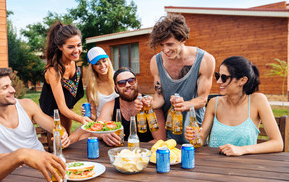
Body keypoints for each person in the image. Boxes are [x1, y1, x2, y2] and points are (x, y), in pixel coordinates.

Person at [185, 56, 283, 156]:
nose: (218, 81)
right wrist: (194, 136)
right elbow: (201, 139)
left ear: (242, 81)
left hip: (246, 167)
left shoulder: (257, 101)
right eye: (217, 76)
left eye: (224, 77)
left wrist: (242, 150)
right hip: (214, 166)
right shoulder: (214, 103)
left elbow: (278, 143)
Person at [0, 68, 70, 162]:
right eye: (5, 87)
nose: (13, 90)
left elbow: (56, 128)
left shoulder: (27, 106)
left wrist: (63, 136)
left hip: (42, 162)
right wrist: (15, 157)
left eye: (11, 85)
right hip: (12, 172)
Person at [149, 13, 215, 144]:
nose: (165, 50)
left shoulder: (205, 60)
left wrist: (183, 105)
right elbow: (159, 96)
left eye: (169, 44)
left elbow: (202, 99)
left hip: (194, 131)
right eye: (161, 45)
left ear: (182, 39)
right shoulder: (155, 62)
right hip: (169, 131)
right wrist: (148, 104)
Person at [39, 21, 91, 134]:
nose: (76, 50)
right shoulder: (53, 71)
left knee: (68, 143)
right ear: (60, 47)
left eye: (79, 45)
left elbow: (68, 103)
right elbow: (62, 107)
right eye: (71, 47)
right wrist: (81, 119)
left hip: (67, 113)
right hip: (49, 115)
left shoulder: (74, 66)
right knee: (58, 145)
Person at [96, 67, 166, 146]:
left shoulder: (149, 104)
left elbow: (160, 140)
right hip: (118, 153)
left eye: (131, 81)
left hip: (144, 154)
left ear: (136, 82)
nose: (128, 85)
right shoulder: (110, 106)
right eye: (122, 83)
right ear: (116, 88)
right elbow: (95, 132)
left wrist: (133, 150)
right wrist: (103, 135)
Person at [81, 47, 118, 120]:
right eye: (97, 63)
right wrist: (88, 114)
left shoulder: (118, 79)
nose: (102, 65)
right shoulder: (91, 87)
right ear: (92, 67)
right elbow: (94, 117)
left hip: (119, 121)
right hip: (102, 124)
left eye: (104, 61)